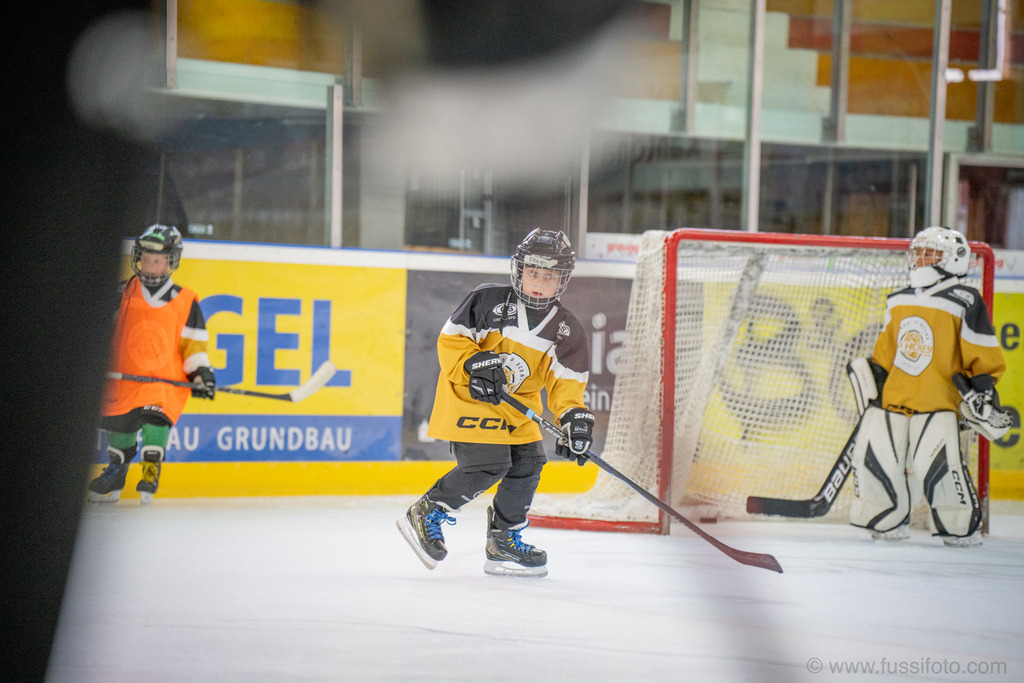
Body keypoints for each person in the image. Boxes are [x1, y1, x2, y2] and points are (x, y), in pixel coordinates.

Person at [397, 229, 594, 577]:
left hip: (516, 407)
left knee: (528, 463)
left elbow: (566, 384)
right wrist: (475, 364)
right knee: (489, 463)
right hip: (469, 397)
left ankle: (504, 540)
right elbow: (451, 341)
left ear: (562, 281)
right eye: (533, 272)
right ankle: (428, 510)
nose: (538, 283)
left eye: (549, 276)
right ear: (519, 270)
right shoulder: (487, 300)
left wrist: (574, 418)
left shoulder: (567, 330)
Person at [846, 227, 1008, 546]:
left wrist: (984, 390)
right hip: (894, 399)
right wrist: (874, 377)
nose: (920, 259)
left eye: (930, 253)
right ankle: (884, 517)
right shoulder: (899, 298)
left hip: (938, 401)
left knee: (938, 465)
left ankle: (959, 525)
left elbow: (981, 351)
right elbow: (888, 349)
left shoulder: (965, 299)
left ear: (955, 259)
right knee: (874, 458)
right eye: (918, 252)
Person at [89, 225, 216, 505]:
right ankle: (116, 474)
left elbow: (193, 345)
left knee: (154, 421)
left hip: (161, 382)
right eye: (145, 258)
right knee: (120, 428)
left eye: (157, 260)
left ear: (171, 261)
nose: (149, 265)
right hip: (123, 382)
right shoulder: (123, 291)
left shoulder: (185, 300)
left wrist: (201, 373)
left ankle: (150, 468)